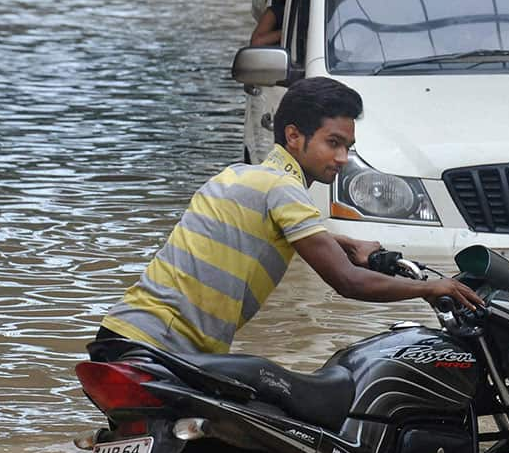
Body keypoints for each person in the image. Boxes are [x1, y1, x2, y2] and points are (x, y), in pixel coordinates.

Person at [97, 77, 482, 356]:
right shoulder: (285, 189)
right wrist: (434, 288)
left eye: (348, 147)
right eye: (333, 143)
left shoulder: (238, 175)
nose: (343, 159)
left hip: (119, 336)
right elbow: (347, 282)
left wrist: (346, 243)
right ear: (294, 136)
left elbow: (271, 233)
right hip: (164, 349)